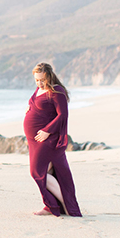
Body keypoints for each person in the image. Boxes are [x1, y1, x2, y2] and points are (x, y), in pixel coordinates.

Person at [23, 62, 82, 217]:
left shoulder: (57, 91)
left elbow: (62, 115)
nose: (39, 83)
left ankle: (65, 204)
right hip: (35, 140)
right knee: (47, 171)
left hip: (46, 139)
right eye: (36, 80)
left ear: (49, 76)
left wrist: (47, 131)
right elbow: (37, 103)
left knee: (36, 172)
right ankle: (50, 206)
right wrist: (30, 107)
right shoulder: (39, 89)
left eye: (42, 79)